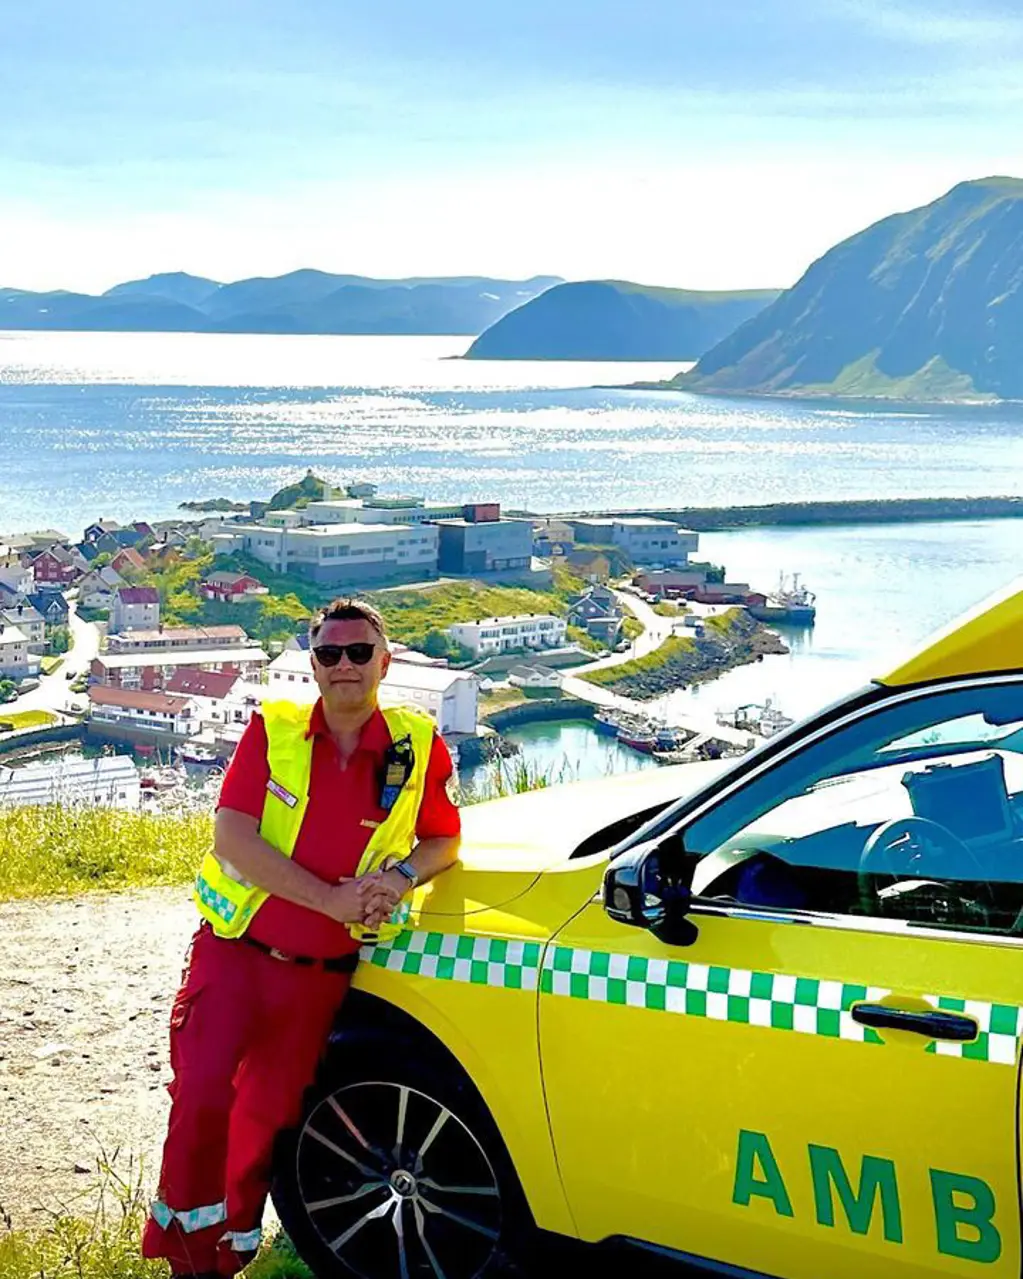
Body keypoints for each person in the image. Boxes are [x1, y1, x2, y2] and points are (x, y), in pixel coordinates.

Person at [142, 597, 461, 1278]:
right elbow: (232, 836)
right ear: (312, 663)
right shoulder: (273, 728)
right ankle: (187, 1259)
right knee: (201, 1098)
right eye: (328, 653)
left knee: (262, 1118)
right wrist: (331, 897)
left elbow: (442, 838)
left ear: (385, 657)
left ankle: (227, 1250)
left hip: (316, 974)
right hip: (235, 955)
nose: (343, 665)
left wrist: (402, 876)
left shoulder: (416, 742)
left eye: (358, 651)